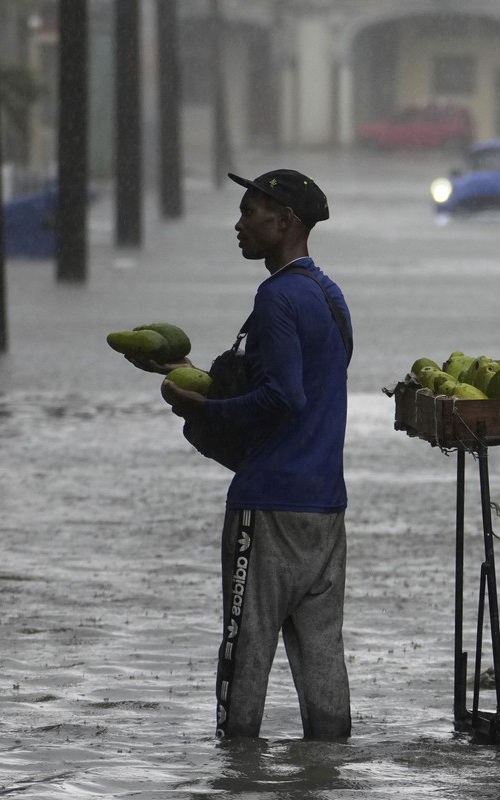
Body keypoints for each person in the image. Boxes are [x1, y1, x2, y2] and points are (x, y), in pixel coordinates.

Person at [134, 168, 354, 739]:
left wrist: (204, 410)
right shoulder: (330, 298)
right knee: (322, 657)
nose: (238, 224)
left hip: (269, 505)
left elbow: (283, 395)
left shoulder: (277, 297)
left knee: (245, 657)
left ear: (283, 222)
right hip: (325, 506)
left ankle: (236, 777)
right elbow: (306, 395)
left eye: (250, 212)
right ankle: (327, 772)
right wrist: (194, 380)